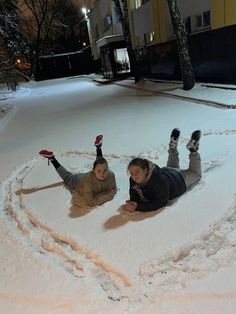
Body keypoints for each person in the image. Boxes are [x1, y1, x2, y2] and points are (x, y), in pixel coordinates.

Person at [124, 129, 202, 212]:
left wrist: (138, 207)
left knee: (196, 174)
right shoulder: (133, 180)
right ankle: (172, 147)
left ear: (145, 170)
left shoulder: (159, 180)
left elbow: (161, 202)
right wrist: (133, 203)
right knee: (171, 167)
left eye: (137, 172)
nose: (134, 176)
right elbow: (134, 195)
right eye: (131, 173)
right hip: (167, 171)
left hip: (178, 180)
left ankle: (193, 150)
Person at [39, 135, 117, 208]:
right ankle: (52, 159)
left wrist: (108, 193)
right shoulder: (87, 183)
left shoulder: (111, 175)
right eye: (99, 171)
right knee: (67, 177)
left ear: (108, 169)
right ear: (93, 171)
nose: (102, 174)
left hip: (92, 176)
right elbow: (91, 203)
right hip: (80, 180)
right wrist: (109, 196)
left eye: (105, 170)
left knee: (100, 163)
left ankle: (98, 147)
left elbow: (113, 189)